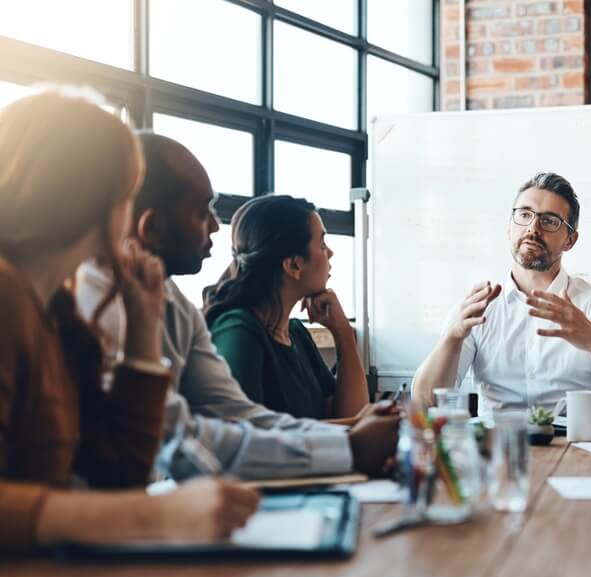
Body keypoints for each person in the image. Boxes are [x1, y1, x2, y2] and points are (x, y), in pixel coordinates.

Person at [0, 88, 259, 549]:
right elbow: (126, 500)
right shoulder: (7, 297)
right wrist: (148, 515)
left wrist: (143, 330)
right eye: (126, 195)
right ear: (92, 201)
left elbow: (118, 472)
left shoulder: (59, 317)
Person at [76, 133, 398, 480]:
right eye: (203, 212)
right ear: (150, 227)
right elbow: (178, 440)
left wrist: (351, 436)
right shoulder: (96, 304)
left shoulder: (177, 305)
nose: (216, 226)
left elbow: (241, 416)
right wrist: (349, 445)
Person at [412, 172, 591, 416]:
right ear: (509, 227)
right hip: (497, 447)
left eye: (549, 221)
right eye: (524, 214)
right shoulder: (478, 306)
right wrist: (452, 337)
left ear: (570, 240)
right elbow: (425, 401)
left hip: (576, 449)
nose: (533, 228)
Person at [203, 194, 366, 421]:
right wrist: (366, 428)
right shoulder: (239, 332)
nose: (330, 253)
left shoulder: (297, 334)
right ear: (294, 265)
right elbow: (247, 435)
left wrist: (343, 333)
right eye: (321, 244)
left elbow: (350, 416)